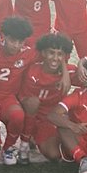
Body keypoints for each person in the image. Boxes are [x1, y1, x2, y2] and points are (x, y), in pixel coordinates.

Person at [0, 16, 35, 164]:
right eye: (13, 41)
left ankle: (9, 147)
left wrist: (64, 71)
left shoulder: (29, 53)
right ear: (4, 36)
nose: (16, 45)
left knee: (18, 116)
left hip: (8, 99)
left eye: (20, 42)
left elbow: (53, 56)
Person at [19, 31, 72, 159]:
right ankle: (26, 140)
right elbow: (24, 101)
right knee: (33, 102)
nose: (55, 58)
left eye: (60, 54)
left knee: (59, 154)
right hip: (33, 116)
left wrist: (66, 71)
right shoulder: (32, 71)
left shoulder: (69, 72)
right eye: (51, 52)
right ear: (43, 53)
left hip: (53, 118)